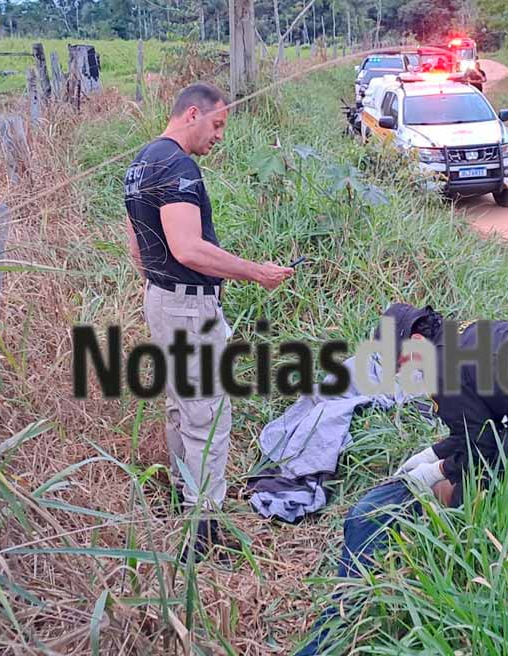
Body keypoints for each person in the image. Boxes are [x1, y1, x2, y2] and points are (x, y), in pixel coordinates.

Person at [293, 303, 508, 655]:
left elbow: (484, 447)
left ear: (416, 341)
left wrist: (438, 472)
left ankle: (500, 588)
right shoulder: (462, 337)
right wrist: (433, 453)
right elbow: (481, 427)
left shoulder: (445, 370)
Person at [123, 82, 294, 564]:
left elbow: (138, 246)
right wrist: (256, 271)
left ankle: (186, 498)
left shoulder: (140, 163)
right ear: (192, 113)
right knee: (209, 417)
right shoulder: (178, 165)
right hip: (185, 307)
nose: (218, 137)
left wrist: (159, 291)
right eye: (217, 125)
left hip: (160, 299)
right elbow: (188, 248)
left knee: (182, 407)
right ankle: (203, 532)